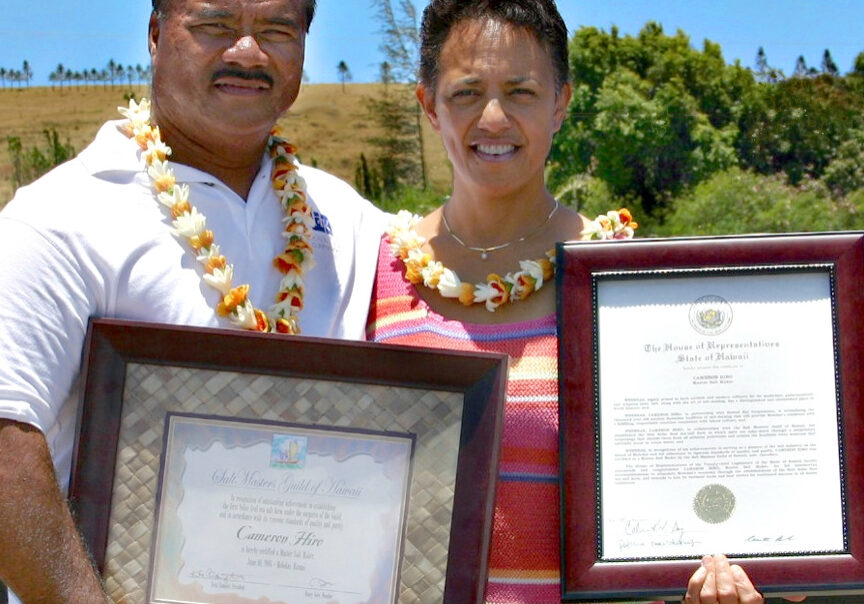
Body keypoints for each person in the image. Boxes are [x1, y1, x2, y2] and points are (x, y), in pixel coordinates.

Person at [366, 1, 786, 603]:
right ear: (428, 105)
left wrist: (753, 556)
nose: (493, 117)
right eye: (465, 93)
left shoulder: (627, 285)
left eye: (521, 91)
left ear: (560, 103)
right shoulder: (373, 273)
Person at [0, 0, 385, 601]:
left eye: (278, 31)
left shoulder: (353, 222)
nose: (248, 53)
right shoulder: (60, 219)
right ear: (156, 34)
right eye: (215, 26)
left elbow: (469, 276)